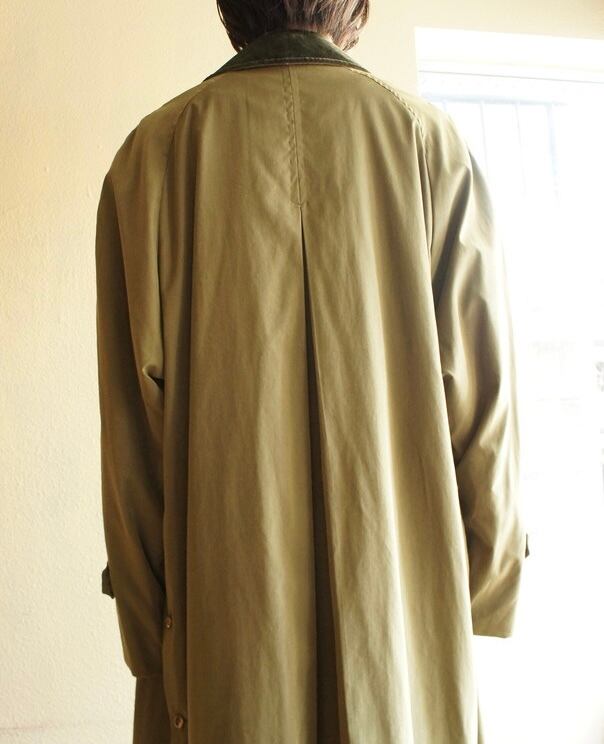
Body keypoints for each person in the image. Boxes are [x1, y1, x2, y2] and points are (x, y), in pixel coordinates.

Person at [94, 1, 530, 742]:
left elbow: (133, 442)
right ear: (354, 7)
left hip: (222, 632)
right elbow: (483, 410)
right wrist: (483, 585)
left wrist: (147, 628)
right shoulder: (428, 142)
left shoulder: (152, 156)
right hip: (398, 623)